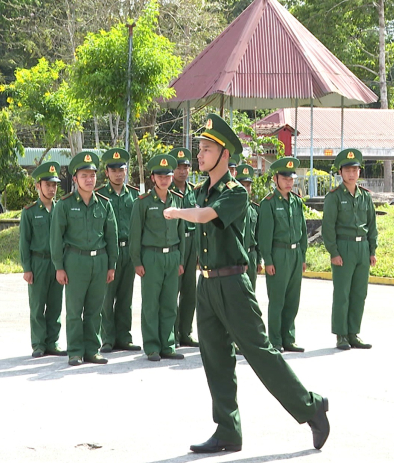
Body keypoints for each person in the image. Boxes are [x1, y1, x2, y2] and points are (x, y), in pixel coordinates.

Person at [163, 114, 329, 454]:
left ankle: (311, 406)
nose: (199, 155)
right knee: (215, 359)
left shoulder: (235, 192)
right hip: (207, 284)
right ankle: (228, 430)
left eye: (207, 149)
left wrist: (177, 213)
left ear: (224, 155)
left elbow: (205, 216)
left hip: (233, 283)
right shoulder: (201, 190)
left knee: (259, 354)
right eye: (199, 149)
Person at [50, 152, 119, 366]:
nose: (89, 180)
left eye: (92, 175)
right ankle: (75, 351)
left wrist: (111, 265)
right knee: (74, 310)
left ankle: (92, 350)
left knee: (94, 310)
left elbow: (112, 237)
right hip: (75, 261)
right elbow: (56, 238)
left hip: (99, 262)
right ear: (75, 178)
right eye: (84, 176)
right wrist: (59, 267)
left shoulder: (104, 204)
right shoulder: (64, 205)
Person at [130, 154, 186, 361]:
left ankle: (168, 345)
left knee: (170, 303)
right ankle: (152, 346)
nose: (164, 180)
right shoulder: (143, 202)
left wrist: (180, 260)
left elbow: (181, 233)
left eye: (168, 176)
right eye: (160, 176)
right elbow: (135, 234)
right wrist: (137, 261)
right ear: (153, 178)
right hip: (151, 257)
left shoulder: (177, 200)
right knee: (151, 304)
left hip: (172, 256)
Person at [322, 148, 377, 350]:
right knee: (342, 294)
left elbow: (372, 225)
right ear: (340, 172)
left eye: (355, 170)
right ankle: (341, 335)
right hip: (344, 248)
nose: (351, 174)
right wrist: (334, 252)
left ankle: (354, 333)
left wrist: (372, 250)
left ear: (359, 171)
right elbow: (328, 227)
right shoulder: (334, 197)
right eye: (347, 170)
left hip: (362, 247)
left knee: (359, 293)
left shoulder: (365, 196)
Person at [257, 157, 308, 353]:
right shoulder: (269, 203)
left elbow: (303, 232)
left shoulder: (296, 201)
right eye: (285, 178)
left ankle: (289, 338)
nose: (289, 182)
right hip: (278, 254)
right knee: (277, 300)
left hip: (295, 254)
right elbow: (265, 235)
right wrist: (268, 260)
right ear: (275, 179)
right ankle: (276, 340)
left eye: (291, 178)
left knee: (293, 299)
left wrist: (303, 257)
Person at [96, 148, 142, 353]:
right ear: (107, 172)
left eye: (121, 170)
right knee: (107, 298)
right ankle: (107, 338)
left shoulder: (134, 195)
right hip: (108, 252)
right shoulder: (99, 195)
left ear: (126, 171)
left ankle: (124, 337)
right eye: (113, 170)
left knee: (126, 296)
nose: (117, 174)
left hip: (128, 251)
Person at [19, 161, 66, 358]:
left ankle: (52, 342)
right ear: (38, 185)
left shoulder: (61, 208)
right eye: (48, 184)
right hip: (38, 262)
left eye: (54, 185)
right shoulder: (29, 212)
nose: (52, 188)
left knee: (55, 304)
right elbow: (24, 242)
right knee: (38, 305)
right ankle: (38, 344)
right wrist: (27, 268)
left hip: (57, 263)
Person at [168, 147, 200, 347]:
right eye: (178, 167)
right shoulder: (167, 191)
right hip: (176, 242)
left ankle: (186, 332)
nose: (182, 171)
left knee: (190, 291)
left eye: (185, 167)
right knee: (173, 290)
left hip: (193, 241)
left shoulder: (195, 191)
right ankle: (172, 334)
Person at [234, 163, 261, 289]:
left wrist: (259, 260)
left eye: (248, 185)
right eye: (242, 185)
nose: (245, 188)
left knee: (251, 292)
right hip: (236, 257)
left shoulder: (255, 209)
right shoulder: (230, 210)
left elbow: (258, 236)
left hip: (251, 255)